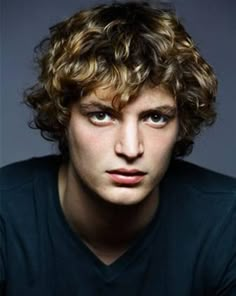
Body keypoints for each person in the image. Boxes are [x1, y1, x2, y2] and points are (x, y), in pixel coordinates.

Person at [0, 1, 235, 295]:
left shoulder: (228, 220)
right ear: (63, 118)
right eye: (101, 115)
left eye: (155, 117)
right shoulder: (5, 213)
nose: (130, 147)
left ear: (180, 125)